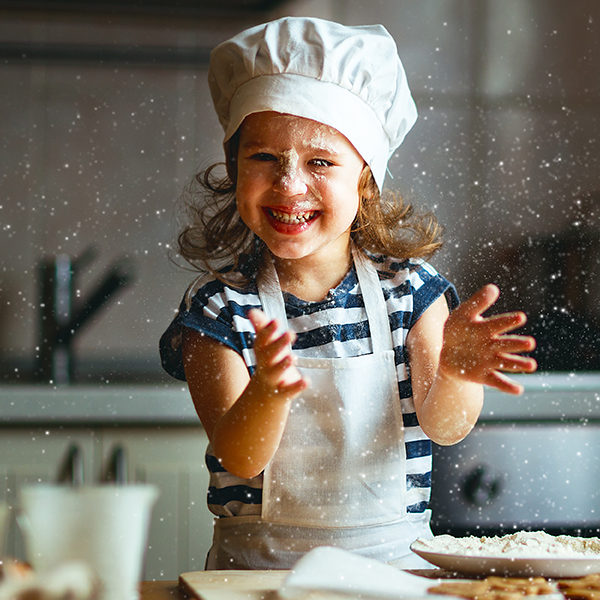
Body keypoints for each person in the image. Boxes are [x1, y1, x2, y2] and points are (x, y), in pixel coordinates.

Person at [160, 16, 537, 570]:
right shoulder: (219, 310)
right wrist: (267, 391)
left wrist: (454, 372)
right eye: (263, 157)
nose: (289, 184)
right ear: (233, 168)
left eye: (320, 161)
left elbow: (445, 428)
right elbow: (239, 457)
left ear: (365, 178)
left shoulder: (411, 291)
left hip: (396, 571)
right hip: (258, 578)